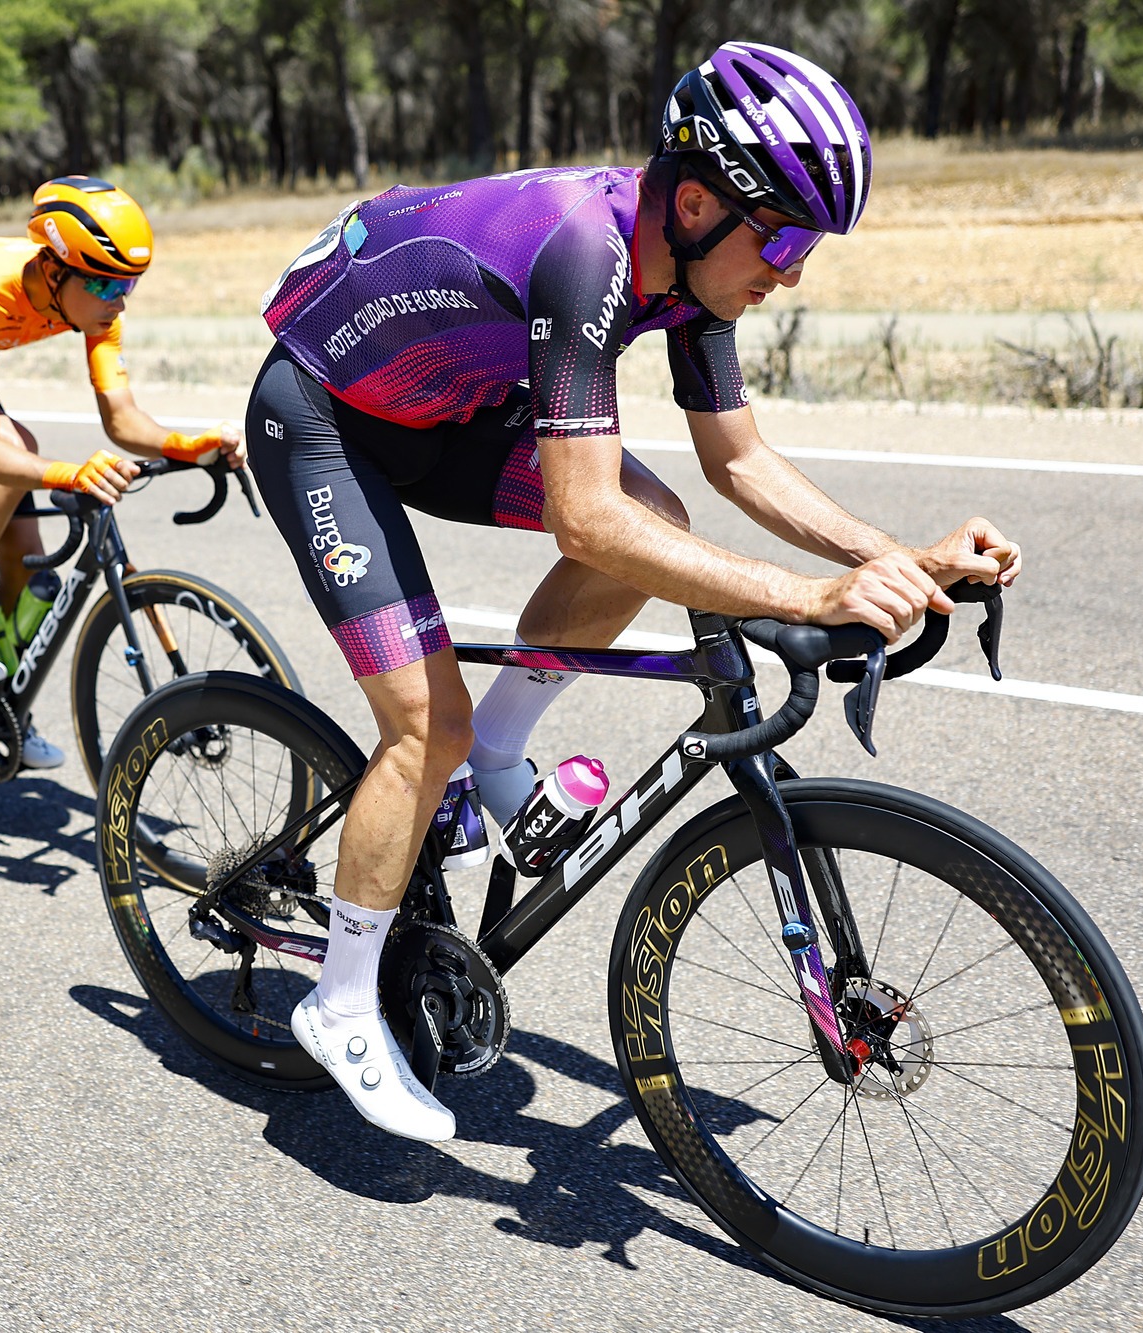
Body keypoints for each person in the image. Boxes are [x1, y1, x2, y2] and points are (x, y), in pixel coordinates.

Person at [248, 42, 1023, 1142]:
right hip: (322, 421)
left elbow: (738, 463)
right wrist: (805, 600)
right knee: (423, 724)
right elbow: (582, 519)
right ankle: (339, 999)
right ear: (699, 201)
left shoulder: (698, 274)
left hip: (445, 415)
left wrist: (895, 557)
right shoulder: (586, 251)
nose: (791, 272)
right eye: (787, 239)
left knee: (656, 519)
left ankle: (498, 757)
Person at [0, 175, 243, 768]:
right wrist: (70, 474)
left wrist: (191, 444)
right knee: (12, 446)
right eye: (107, 282)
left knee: (26, 562)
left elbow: (123, 419)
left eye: (129, 282)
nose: (120, 299)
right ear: (55, 271)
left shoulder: (94, 303)